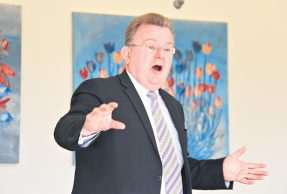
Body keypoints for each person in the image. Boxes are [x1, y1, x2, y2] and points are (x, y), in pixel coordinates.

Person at [54, 13, 268, 194]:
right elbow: (64, 131)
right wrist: (87, 127)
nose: (161, 55)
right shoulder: (99, 90)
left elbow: (176, 168)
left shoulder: (173, 106)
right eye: (151, 47)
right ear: (127, 54)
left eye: (167, 49)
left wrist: (221, 170)